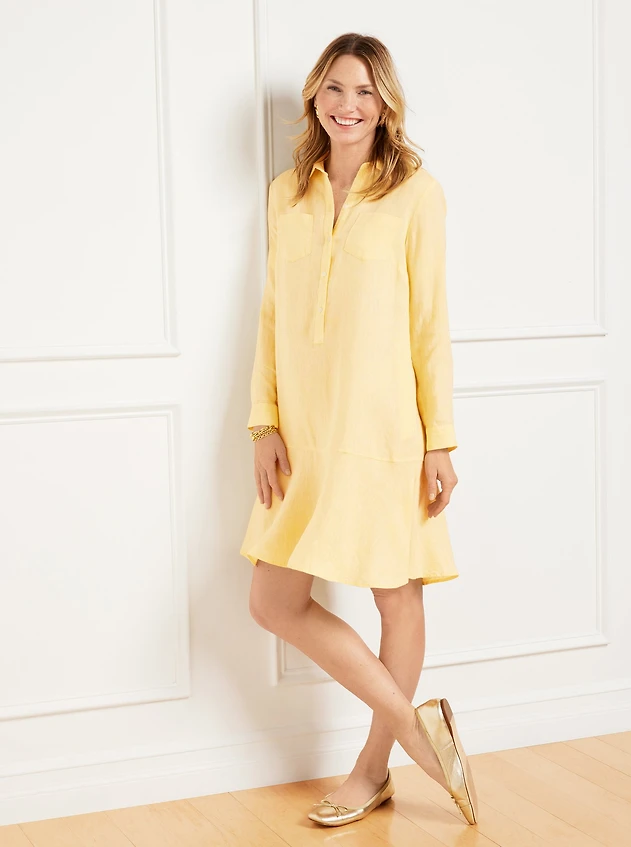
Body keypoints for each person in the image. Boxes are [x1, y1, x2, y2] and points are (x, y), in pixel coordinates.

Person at [239, 33, 478, 827]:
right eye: (336, 88)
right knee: (274, 599)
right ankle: (420, 730)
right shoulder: (287, 193)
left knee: (396, 596)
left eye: (366, 92)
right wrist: (263, 421)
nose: (348, 105)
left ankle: (374, 768)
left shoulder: (415, 193)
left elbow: (430, 325)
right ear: (316, 95)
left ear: (386, 106)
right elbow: (271, 315)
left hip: (384, 428)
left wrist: (439, 438)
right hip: (303, 431)